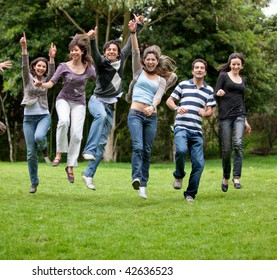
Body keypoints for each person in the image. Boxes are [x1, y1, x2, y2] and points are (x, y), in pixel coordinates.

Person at [81, 16, 142, 191]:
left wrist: (136, 27)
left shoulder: (122, 58)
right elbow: (94, 52)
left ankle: (88, 174)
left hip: (110, 107)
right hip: (96, 101)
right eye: (108, 50)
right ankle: (88, 150)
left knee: (102, 144)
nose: (112, 52)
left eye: (114, 49)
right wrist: (92, 39)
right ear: (105, 52)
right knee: (98, 117)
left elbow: (131, 44)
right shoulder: (101, 63)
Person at [125, 20, 177, 199]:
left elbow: (158, 96)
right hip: (135, 114)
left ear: (157, 62)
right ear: (144, 61)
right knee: (138, 147)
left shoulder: (161, 80)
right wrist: (133, 34)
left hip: (151, 116)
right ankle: (136, 178)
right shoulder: (138, 71)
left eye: (154, 59)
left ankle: (143, 185)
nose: (150, 61)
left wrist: (153, 106)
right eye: (148, 59)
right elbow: (134, 52)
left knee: (147, 151)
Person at [40, 34, 96, 184]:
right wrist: (41, 85)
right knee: (64, 121)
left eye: (76, 50)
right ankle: (59, 153)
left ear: (82, 52)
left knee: (77, 135)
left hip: (79, 103)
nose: (73, 53)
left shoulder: (88, 68)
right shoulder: (63, 66)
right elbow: (51, 83)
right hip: (63, 99)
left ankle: (70, 166)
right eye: (71, 50)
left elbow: (100, 81)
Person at [166, 59, 216, 202]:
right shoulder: (183, 85)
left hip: (197, 131)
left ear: (205, 72)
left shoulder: (209, 90)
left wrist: (204, 113)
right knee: (181, 150)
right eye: (196, 68)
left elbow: (210, 111)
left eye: (202, 68)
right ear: (192, 71)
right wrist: (177, 108)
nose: (199, 70)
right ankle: (179, 174)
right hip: (181, 127)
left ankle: (190, 194)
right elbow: (169, 101)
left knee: (199, 164)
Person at [20, 33, 57, 194]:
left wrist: (52, 58)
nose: (41, 68)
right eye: (39, 66)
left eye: (44, 66)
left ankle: (44, 148)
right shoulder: (28, 79)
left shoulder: (46, 81)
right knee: (30, 154)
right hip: (28, 118)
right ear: (34, 67)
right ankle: (34, 182)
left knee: (39, 137)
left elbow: (53, 75)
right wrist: (24, 48)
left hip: (43, 115)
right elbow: (24, 66)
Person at [214, 53, 252, 192]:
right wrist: (218, 93)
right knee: (227, 149)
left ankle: (236, 177)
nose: (236, 66)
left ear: (242, 65)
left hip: (239, 116)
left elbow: (242, 100)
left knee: (238, 144)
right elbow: (214, 94)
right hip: (225, 117)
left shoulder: (243, 80)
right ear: (230, 64)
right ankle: (225, 177)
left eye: (238, 64)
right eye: (233, 63)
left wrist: (245, 120)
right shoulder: (223, 76)